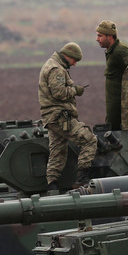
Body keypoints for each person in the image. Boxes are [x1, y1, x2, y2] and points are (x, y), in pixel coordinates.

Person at [38, 42, 98, 191]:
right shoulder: (56, 69)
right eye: (74, 60)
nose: (75, 64)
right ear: (68, 56)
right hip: (59, 117)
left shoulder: (52, 64)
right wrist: (75, 90)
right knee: (89, 140)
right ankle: (81, 179)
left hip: (51, 117)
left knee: (58, 151)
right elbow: (59, 93)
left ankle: (52, 186)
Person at [96, 20, 128, 130]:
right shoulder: (111, 51)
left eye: (100, 36)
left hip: (120, 107)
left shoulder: (120, 51)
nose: (97, 39)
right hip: (113, 106)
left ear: (109, 37)